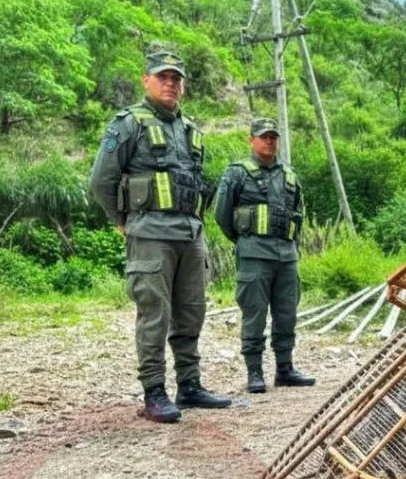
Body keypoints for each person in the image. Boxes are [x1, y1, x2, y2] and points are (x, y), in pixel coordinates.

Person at [89, 51, 231, 423]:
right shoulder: (128, 124)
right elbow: (101, 182)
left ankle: (190, 386)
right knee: (155, 313)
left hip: (189, 233)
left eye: (176, 78)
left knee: (191, 312)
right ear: (146, 80)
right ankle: (154, 393)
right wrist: (123, 220)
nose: (171, 83)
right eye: (163, 76)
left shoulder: (189, 128)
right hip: (150, 232)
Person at [214, 118, 316, 393]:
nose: (269, 141)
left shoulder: (290, 175)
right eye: (263, 137)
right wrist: (244, 241)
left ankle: (285, 368)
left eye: (273, 137)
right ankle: (254, 372)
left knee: (287, 313)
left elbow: (300, 213)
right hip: (254, 254)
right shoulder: (237, 173)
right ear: (251, 140)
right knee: (254, 313)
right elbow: (221, 215)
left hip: (286, 255)